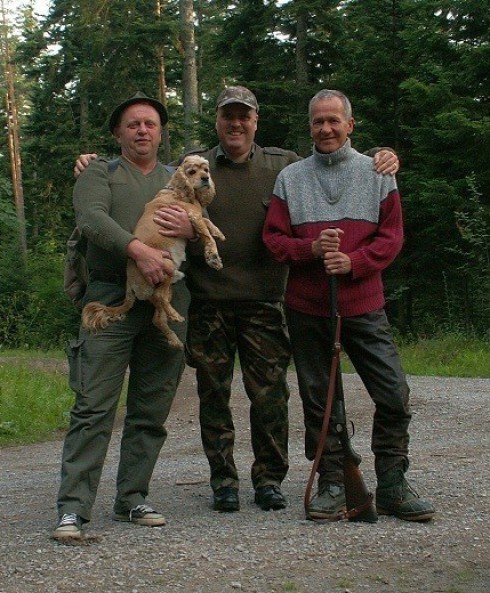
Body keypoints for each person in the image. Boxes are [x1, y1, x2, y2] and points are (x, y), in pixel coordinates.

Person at [74, 85, 400, 514]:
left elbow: (330, 157)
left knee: (270, 397)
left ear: (255, 121)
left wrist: (381, 154)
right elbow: (145, 171)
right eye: (228, 115)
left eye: (244, 115)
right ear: (217, 121)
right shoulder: (194, 165)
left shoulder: (283, 165)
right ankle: (223, 481)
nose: (236, 123)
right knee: (213, 396)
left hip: (264, 302)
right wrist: (92, 162)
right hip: (209, 301)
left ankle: (269, 480)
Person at [263, 89, 435, 522]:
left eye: (333, 120)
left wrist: (355, 262)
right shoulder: (290, 178)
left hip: (364, 305)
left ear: (350, 125)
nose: (325, 129)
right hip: (307, 307)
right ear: (310, 127)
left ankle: (392, 482)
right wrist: (310, 249)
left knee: (393, 393)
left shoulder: (377, 172)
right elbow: (274, 239)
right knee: (320, 401)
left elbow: (392, 237)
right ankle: (333, 482)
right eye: (318, 121)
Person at [53, 92, 195, 540]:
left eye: (150, 123)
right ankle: (73, 509)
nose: (142, 131)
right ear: (118, 133)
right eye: (133, 124)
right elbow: (91, 218)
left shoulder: (177, 178)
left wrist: (191, 230)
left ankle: (132, 498)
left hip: (168, 299)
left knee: (151, 407)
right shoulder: (100, 173)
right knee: (93, 406)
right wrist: (138, 251)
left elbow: (206, 217)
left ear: (161, 132)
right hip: (110, 298)